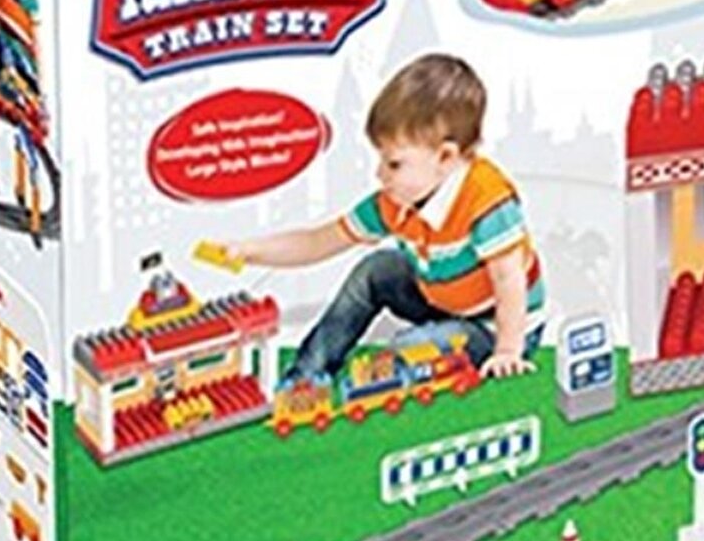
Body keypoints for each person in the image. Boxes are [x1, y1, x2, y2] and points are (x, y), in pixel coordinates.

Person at [228, 54, 543, 381]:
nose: (379, 174)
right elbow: (319, 241)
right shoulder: (396, 201)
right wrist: (250, 251)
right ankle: (308, 372)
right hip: (441, 299)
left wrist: (508, 350)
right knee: (376, 270)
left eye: (393, 164)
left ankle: (421, 355)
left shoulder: (487, 201)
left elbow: (509, 282)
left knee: (410, 349)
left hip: (496, 326)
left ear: (445, 157)